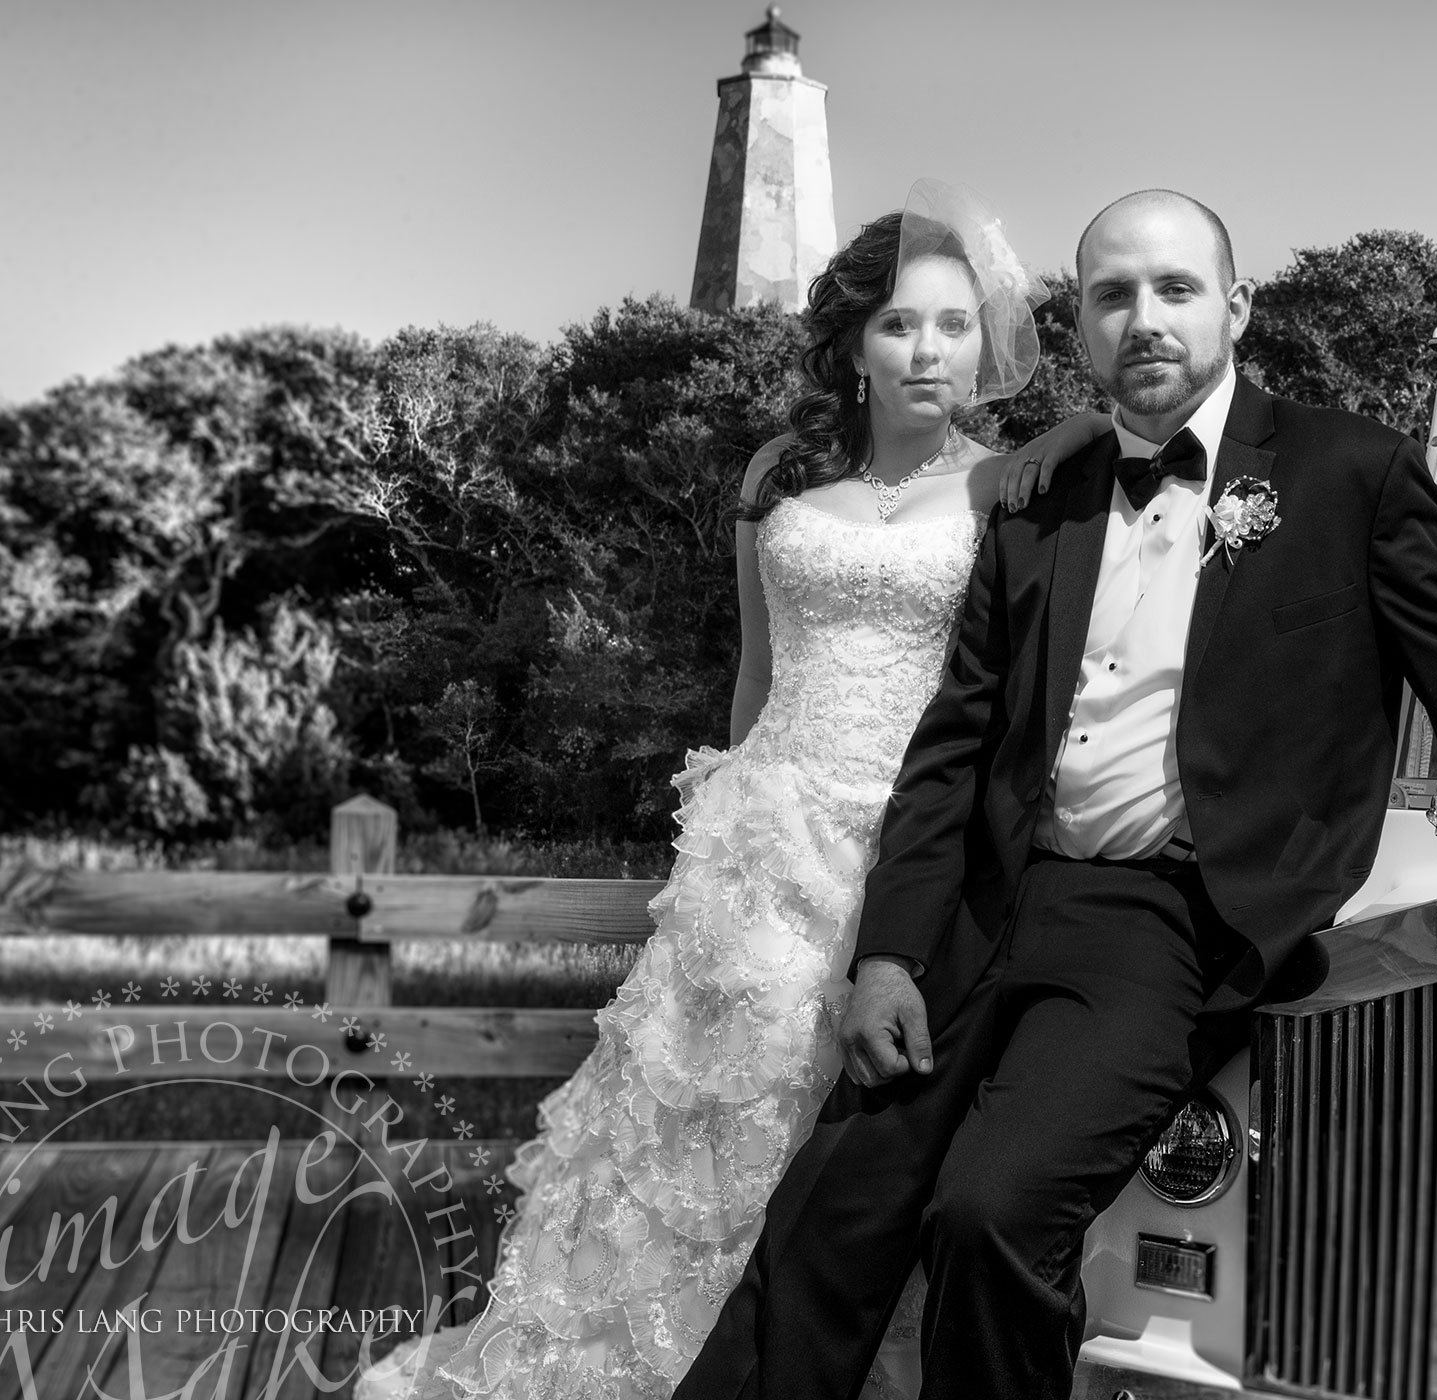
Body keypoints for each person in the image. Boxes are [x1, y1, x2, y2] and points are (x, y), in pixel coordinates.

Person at [675, 189, 1437, 1400]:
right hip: (984, 907)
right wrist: (888, 949)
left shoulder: (1350, 472)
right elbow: (954, 744)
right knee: (834, 1207)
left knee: (990, 1212)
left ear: (1236, 306)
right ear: (1081, 328)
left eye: (1176, 289)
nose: (1143, 319)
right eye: (1112, 296)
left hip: (1170, 922)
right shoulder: (1040, 499)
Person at [356, 181, 1101, 1400]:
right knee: (701, 1125)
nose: (931, 350)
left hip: (916, 842)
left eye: (957, 325)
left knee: (860, 1138)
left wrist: (1072, 436)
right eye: (902, 324)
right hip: (769, 837)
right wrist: (719, 835)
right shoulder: (778, 472)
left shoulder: (1013, 483)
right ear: (854, 342)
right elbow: (755, 679)